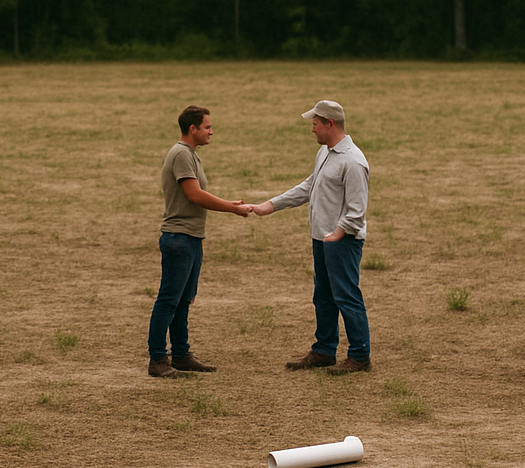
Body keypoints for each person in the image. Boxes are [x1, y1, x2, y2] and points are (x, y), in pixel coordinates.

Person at [249, 99, 372, 374]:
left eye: (315, 124)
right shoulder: (326, 153)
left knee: (347, 296)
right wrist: (271, 205)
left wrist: (338, 234)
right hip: (323, 239)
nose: (312, 129)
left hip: (342, 241)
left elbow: (357, 210)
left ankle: (360, 356)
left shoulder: (353, 161)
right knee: (324, 297)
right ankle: (324, 350)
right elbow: (310, 186)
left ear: (330, 124)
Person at [148, 105, 251, 378]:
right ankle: (158, 360)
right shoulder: (181, 153)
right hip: (179, 238)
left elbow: (197, 194)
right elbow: (194, 194)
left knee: (183, 300)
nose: (211, 131)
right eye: (207, 127)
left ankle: (181, 355)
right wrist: (231, 208)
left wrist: (228, 203)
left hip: (191, 237)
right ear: (192, 129)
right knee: (169, 300)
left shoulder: (189, 155)